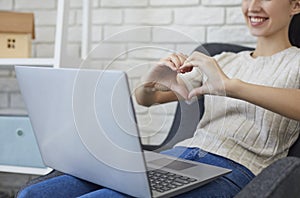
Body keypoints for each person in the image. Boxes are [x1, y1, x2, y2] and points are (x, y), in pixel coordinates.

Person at [18, 0, 300, 197]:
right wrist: (152, 82)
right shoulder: (223, 59)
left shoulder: (296, 62)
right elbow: (145, 99)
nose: (252, 6)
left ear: (295, 5)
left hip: (235, 170)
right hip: (180, 159)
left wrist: (230, 85)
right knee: (34, 193)